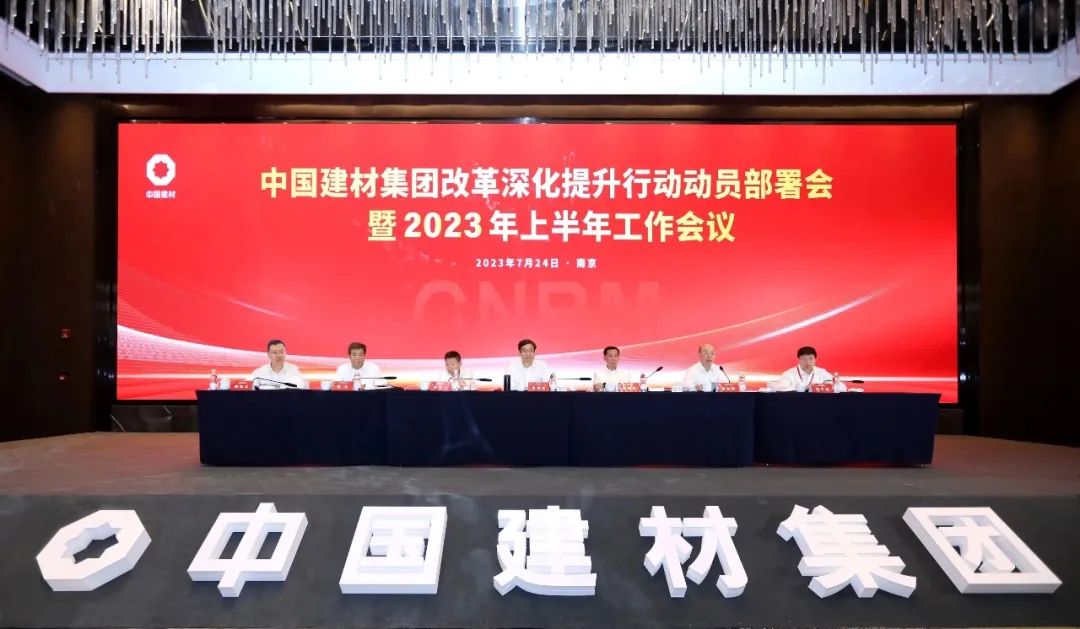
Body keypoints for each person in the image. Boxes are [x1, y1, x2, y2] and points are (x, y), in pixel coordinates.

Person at [771, 346, 846, 392]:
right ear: (798, 360)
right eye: (804, 359)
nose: (807, 362)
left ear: (815, 359)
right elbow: (780, 388)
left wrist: (836, 383)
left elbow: (842, 389)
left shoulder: (822, 372)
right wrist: (803, 387)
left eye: (811, 358)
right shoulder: (788, 374)